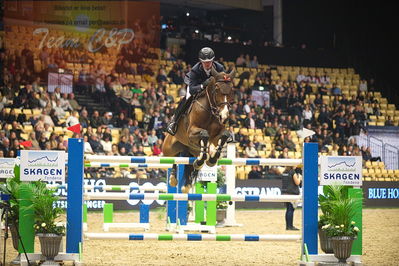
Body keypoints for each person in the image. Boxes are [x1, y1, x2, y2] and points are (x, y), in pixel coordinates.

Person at [165, 47, 225, 135]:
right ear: (201, 61)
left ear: (213, 60)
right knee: (187, 98)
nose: (207, 64)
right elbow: (192, 89)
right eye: (205, 62)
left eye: (209, 61)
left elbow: (223, 81)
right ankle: (174, 121)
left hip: (212, 88)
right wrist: (202, 85)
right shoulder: (195, 70)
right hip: (196, 85)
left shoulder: (220, 68)